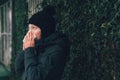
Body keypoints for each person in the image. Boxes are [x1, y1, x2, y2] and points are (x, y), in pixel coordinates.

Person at [15, 5, 70, 80]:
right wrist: (25, 50)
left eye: (34, 28)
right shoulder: (38, 44)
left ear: (45, 30)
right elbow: (19, 69)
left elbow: (33, 78)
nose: (29, 32)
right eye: (29, 28)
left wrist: (29, 50)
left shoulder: (56, 51)